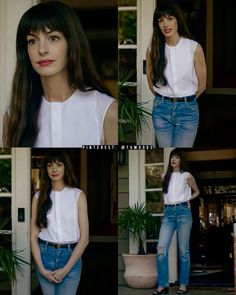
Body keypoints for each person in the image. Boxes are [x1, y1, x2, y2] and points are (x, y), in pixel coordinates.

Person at [2, 1, 117, 147]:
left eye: (53, 38)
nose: (42, 50)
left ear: (71, 44)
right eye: (32, 41)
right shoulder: (13, 116)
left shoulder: (107, 111)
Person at [146, 2, 207, 147]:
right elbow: (150, 81)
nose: (165, 24)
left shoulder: (194, 48)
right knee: (166, 150)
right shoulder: (152, 49)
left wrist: (186, 100)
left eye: (170, 18)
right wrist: (164, 99)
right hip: (161, 110)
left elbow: (202, 85)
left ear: (178, 20)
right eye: (160, 20)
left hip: (187, 111)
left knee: (180, 151)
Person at [31, 149, 89, 295]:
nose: (54, 169)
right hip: (45, 257)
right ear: (45, 169)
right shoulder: (38, 197)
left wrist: (65, 270)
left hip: (71, 258)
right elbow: (33, 237)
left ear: (66, 167)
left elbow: (85, 239)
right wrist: (42, 270)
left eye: (59, 164)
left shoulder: (78, 195)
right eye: (50, 165)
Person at [153, 148, 200, 295]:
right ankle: (162, 285)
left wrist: (186, 199)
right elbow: (165, 195)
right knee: (161, 249)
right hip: (168, 214)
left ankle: (183, 284)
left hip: (183, 213)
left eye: (177, 157)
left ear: (181, 160)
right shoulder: (164, 176)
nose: (173, 160)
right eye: (172, 157)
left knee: (183, 251)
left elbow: (197, 191)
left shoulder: (187, 175)